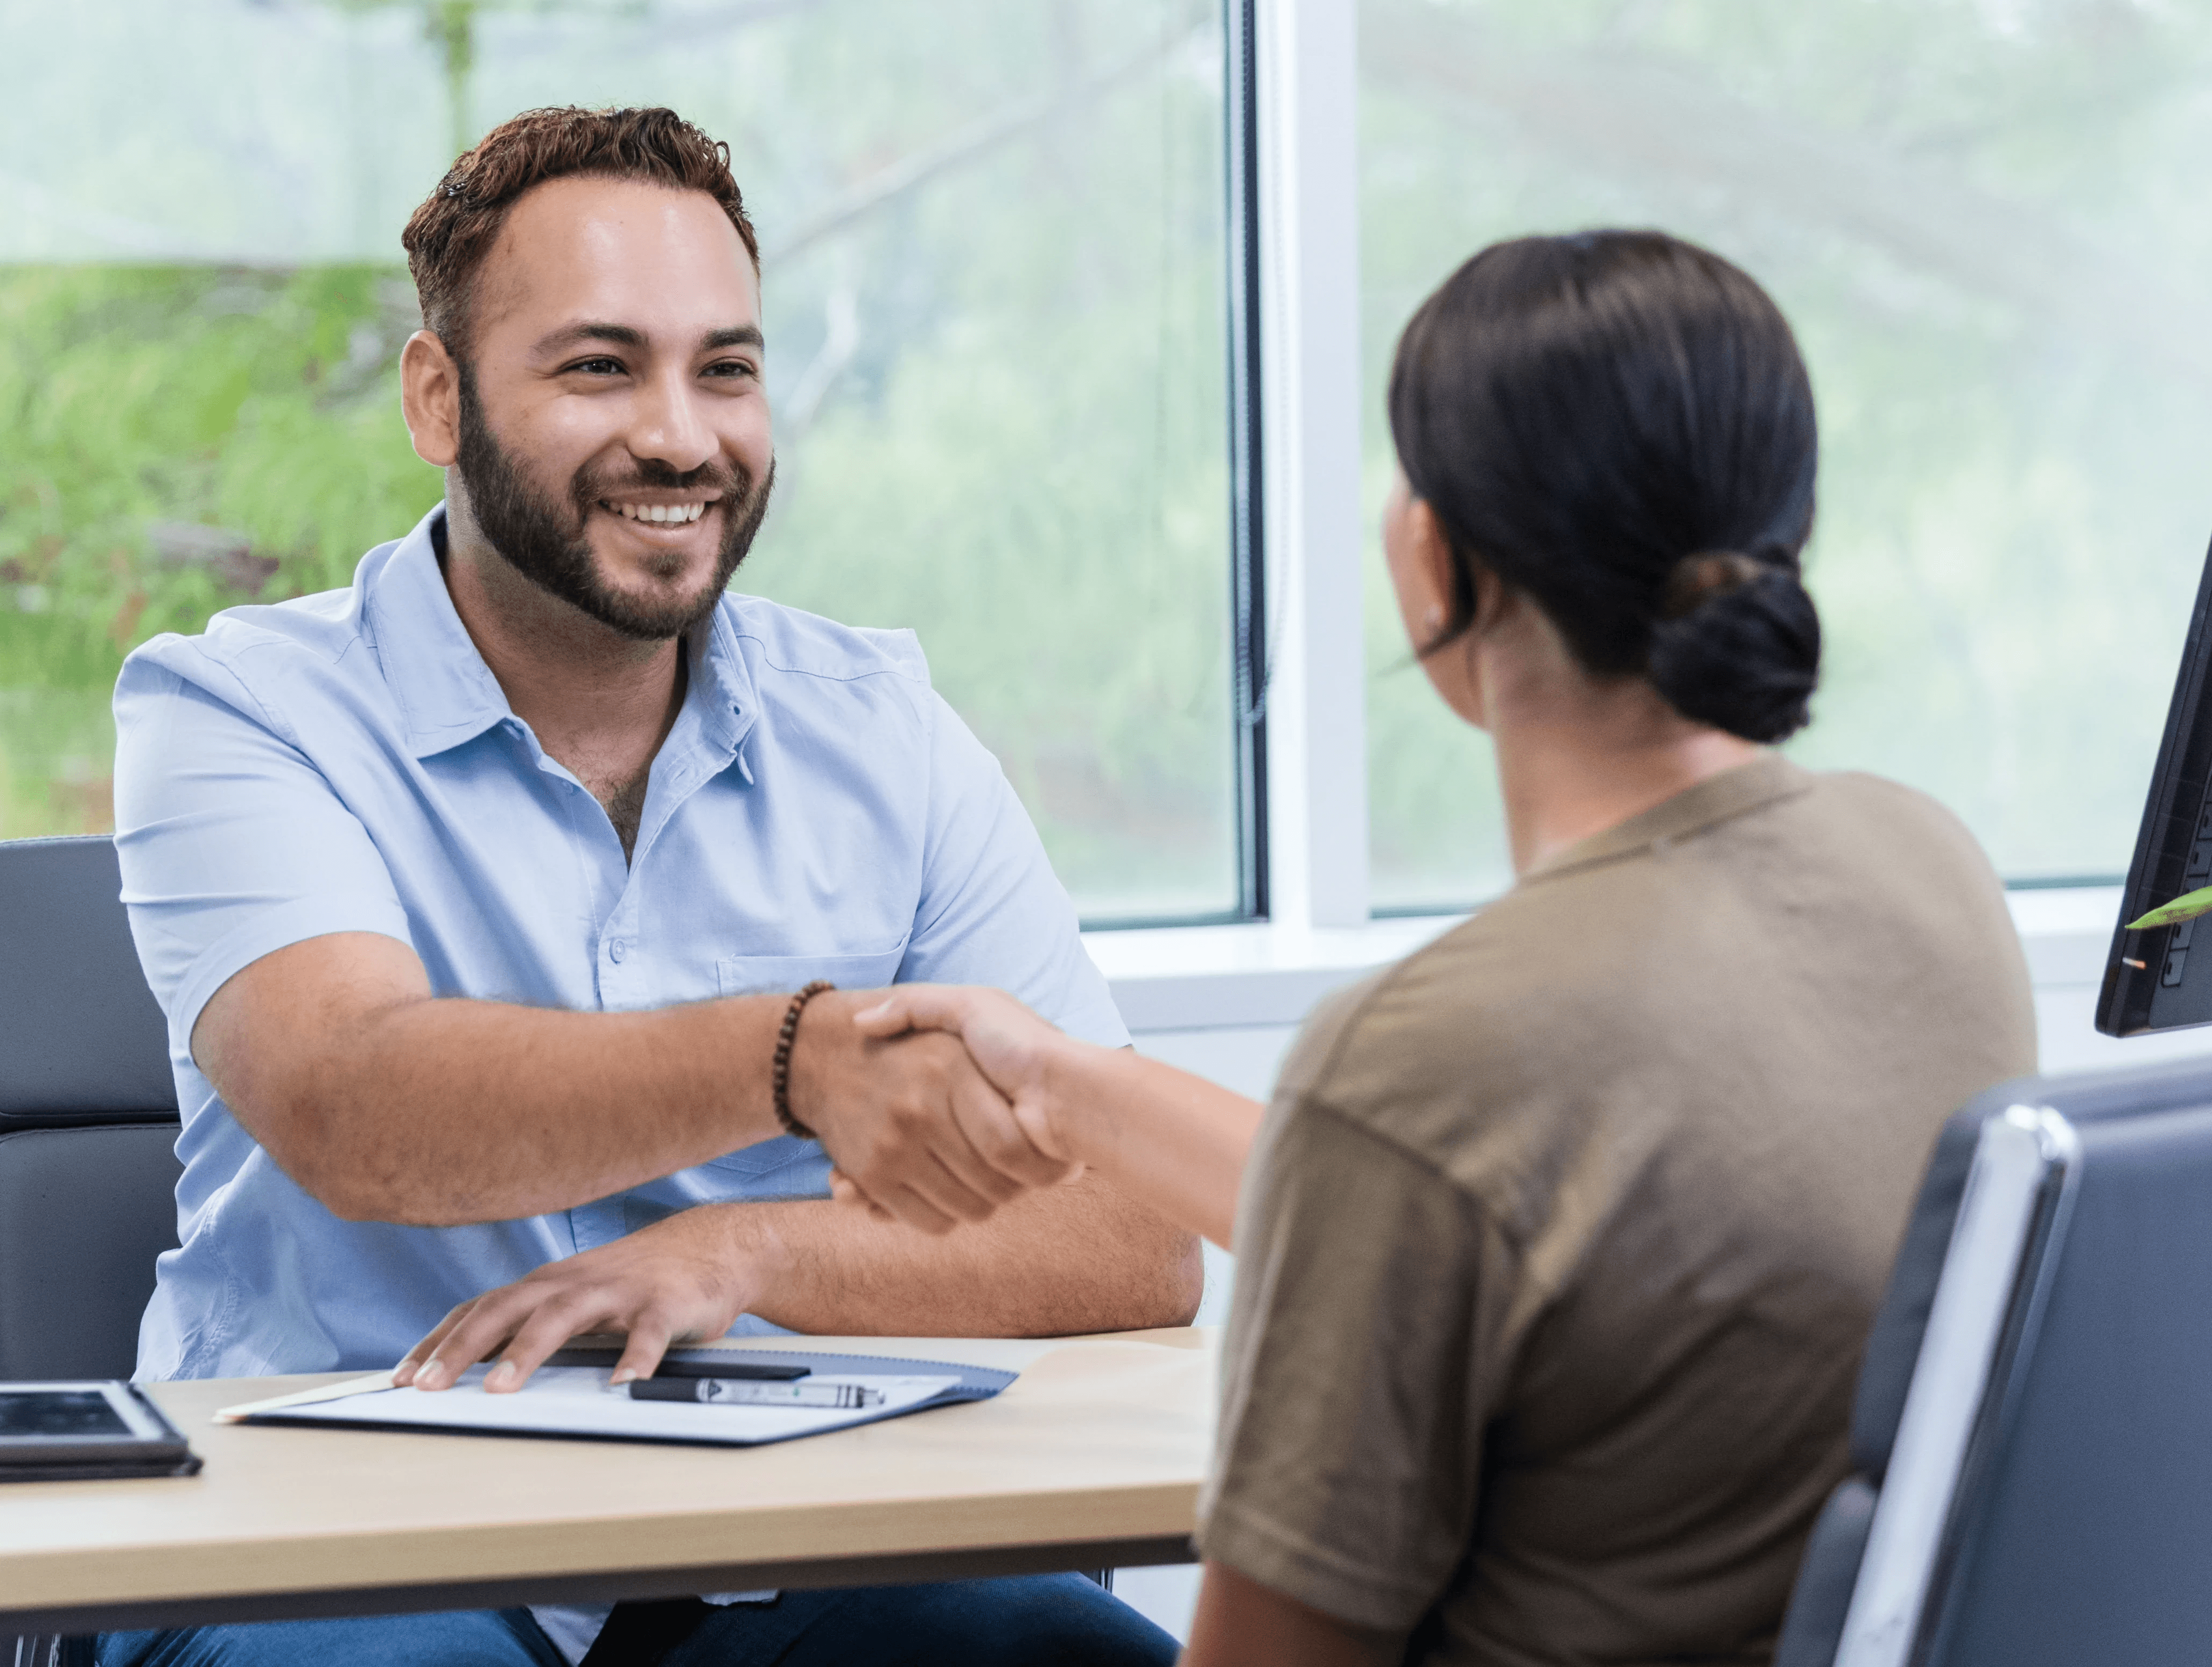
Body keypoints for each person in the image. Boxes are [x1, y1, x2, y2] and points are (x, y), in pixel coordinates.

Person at [828, 230, 2041, 1664]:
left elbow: (1445, 1162)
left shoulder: (1432, 1058)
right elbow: (1520, 1211)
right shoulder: (1925, 868)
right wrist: (1067, 1083)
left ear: (1431, 559)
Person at [100, 106, 1190, 1667]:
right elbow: (356, 1106)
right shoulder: (240, 714)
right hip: (350, 1549)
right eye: (599, 366)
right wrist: (796, 1059)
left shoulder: (881, 726)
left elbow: (1134, 1238)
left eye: (725, 368)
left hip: (793, 1545)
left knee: (1069, 1655)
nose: (680, 435)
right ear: (437, 395)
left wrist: (750, 1256)